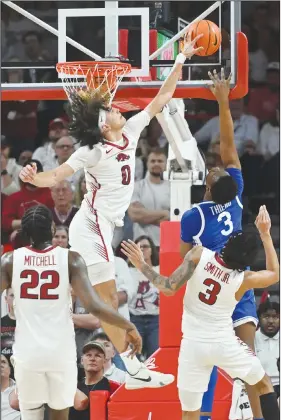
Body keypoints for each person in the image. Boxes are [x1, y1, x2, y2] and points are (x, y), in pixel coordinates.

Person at [18, 32, 204, 389]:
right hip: (90, 226)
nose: (118, 107)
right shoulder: (92, 151)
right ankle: (132, 370)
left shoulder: (131, 130)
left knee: (104, 300)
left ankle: (129, 367)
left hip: (106, 226)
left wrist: (182, 59)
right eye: (111, 109)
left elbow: (162, 97)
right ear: (104, 124)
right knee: (105, 300)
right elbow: (57, 175)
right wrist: (32, 177)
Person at [121, 205, 280, 420]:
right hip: (224, 344)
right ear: (246, 263)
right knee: (263, 384)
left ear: (227, 245)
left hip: (193, 346)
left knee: (190, 412)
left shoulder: (199, 255)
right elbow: (274, 274)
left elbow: (167, 287)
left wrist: (142, 265)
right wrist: (265, 234)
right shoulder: (243, 279)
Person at [1, 205, 142, 420]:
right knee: (60, 416)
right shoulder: (71, 259)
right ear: (51, 228)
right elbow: (95, 306)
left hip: (27, 353)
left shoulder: (10, 260)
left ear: (26, 233)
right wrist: (128, 326)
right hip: (60, 352)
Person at [180, 69, 264, 419]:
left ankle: (207, 415)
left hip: (214, 285)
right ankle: (260, 414)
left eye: (214, 172)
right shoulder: (237, 196)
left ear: (209, 189)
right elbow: (230, 151)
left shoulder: (194, 216)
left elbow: (187, 261)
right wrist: (224, 102)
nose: (216, 167)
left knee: (208, 361)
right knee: (249, 361)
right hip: (238, 283)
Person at [69, 341, 119, 420]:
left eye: (97, 356)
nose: (92, 359)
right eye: (88, 355)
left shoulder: (113, 388)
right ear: (82, 360)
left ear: (104, 362)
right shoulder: (74, 386)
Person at [255, 300, 280, 398]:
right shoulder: (251, 338)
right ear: (258, 319)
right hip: (258, 388)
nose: (271, 321)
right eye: (266, 316)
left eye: (275, 317)